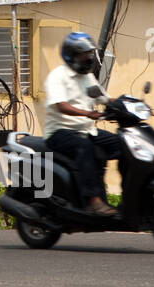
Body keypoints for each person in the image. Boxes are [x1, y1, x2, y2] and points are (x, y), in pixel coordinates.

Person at [43, 32, 124, 217]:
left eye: (89, 54)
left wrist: (129, 105)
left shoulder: (87, 77)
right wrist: (88, 113)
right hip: (60, 132)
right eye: (83, 54)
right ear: (71, 55)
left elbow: (105, 98)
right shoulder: (58, 76)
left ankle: (130, 196)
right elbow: (61, 106)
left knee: (124, 144)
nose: (88, 58)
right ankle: (93, 201)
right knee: (85, 148)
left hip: (86, 130)